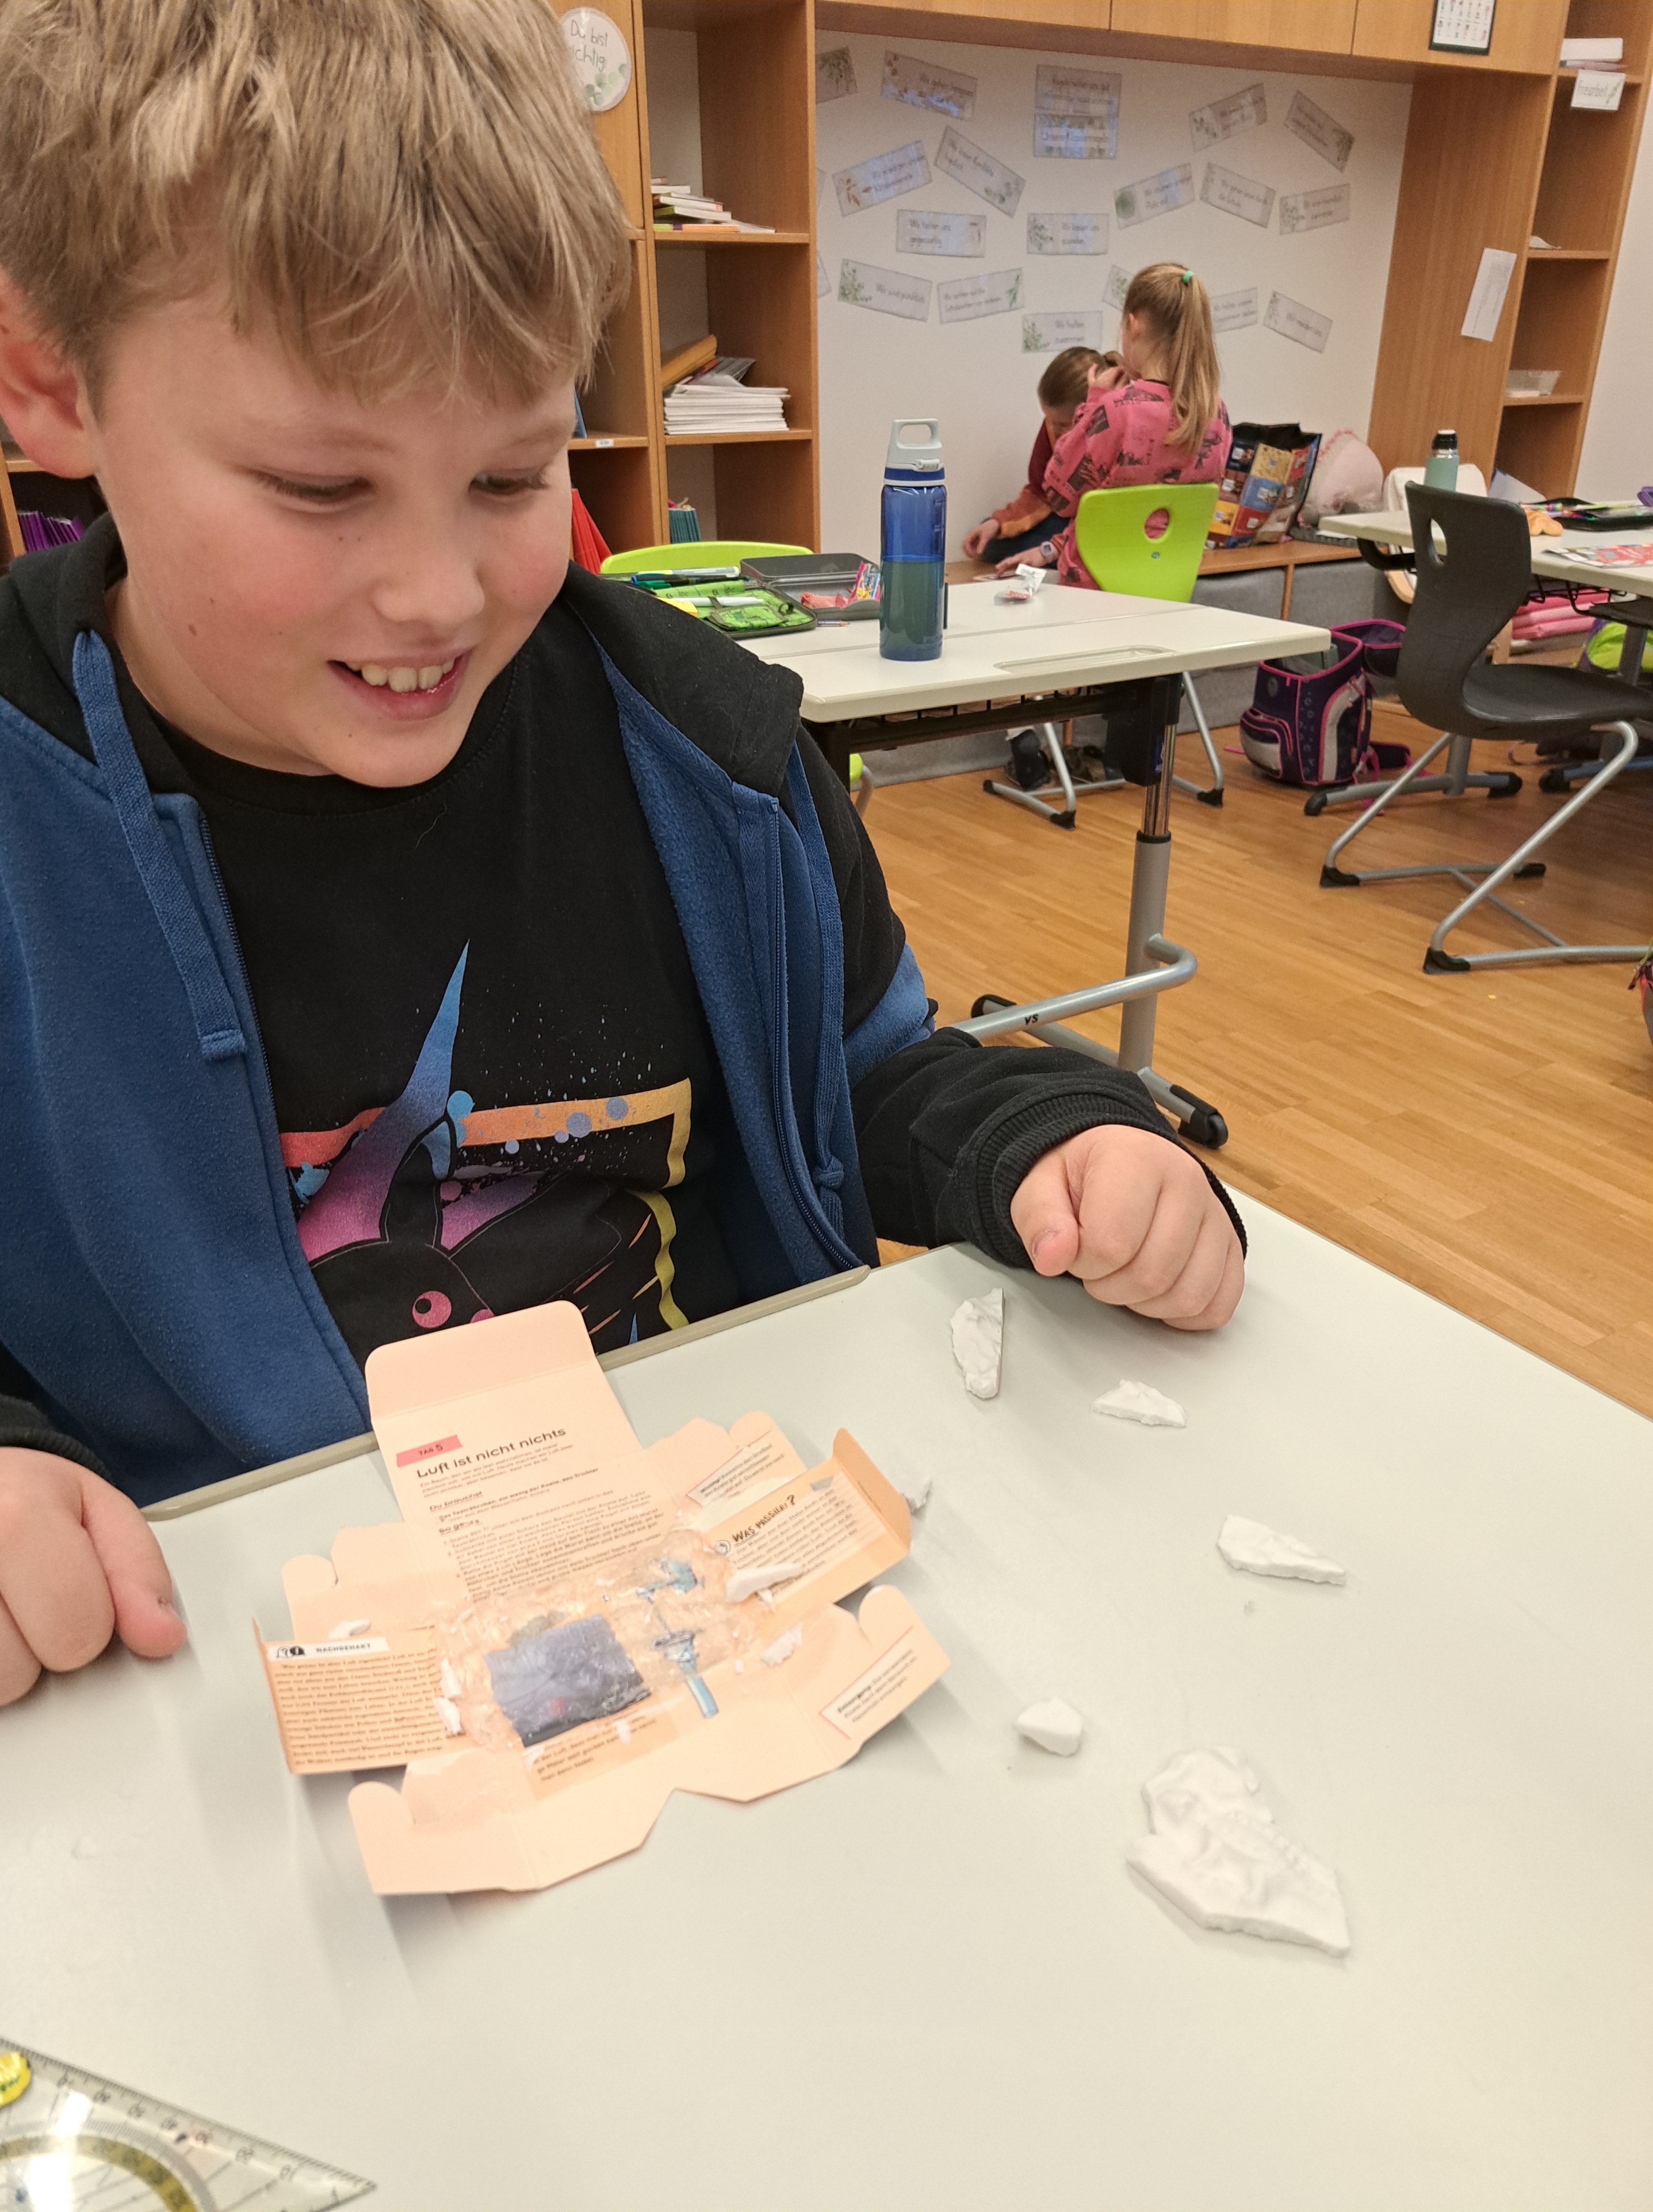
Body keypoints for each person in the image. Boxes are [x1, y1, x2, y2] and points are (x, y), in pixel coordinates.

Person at [0, 0, 1245, 1709]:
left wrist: (1055, 1136)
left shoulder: (708, 756)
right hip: (209, 1674)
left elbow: (861, 1085)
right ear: (52, 383)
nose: (436, 593)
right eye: (320, 488)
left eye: (513, 474)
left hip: (698, 1622)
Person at [996, 265, 1231, 586]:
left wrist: (1093, 405)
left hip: (1096, 591)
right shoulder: (1216, 412)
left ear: (1133, 325)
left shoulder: (1117, 410)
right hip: (1166, 586)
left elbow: (1059, 496)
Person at [960, 347, 1118, 565]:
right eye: (1048, 419)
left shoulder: (1113, 435)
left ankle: (1064, 556)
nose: (1052, 429)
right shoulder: (1051, 430)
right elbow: (1040, 492)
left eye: (1062, 424)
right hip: (1065, 522)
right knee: (992, 542)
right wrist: (998, 523)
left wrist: (1049, 550)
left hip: (1103, 527)